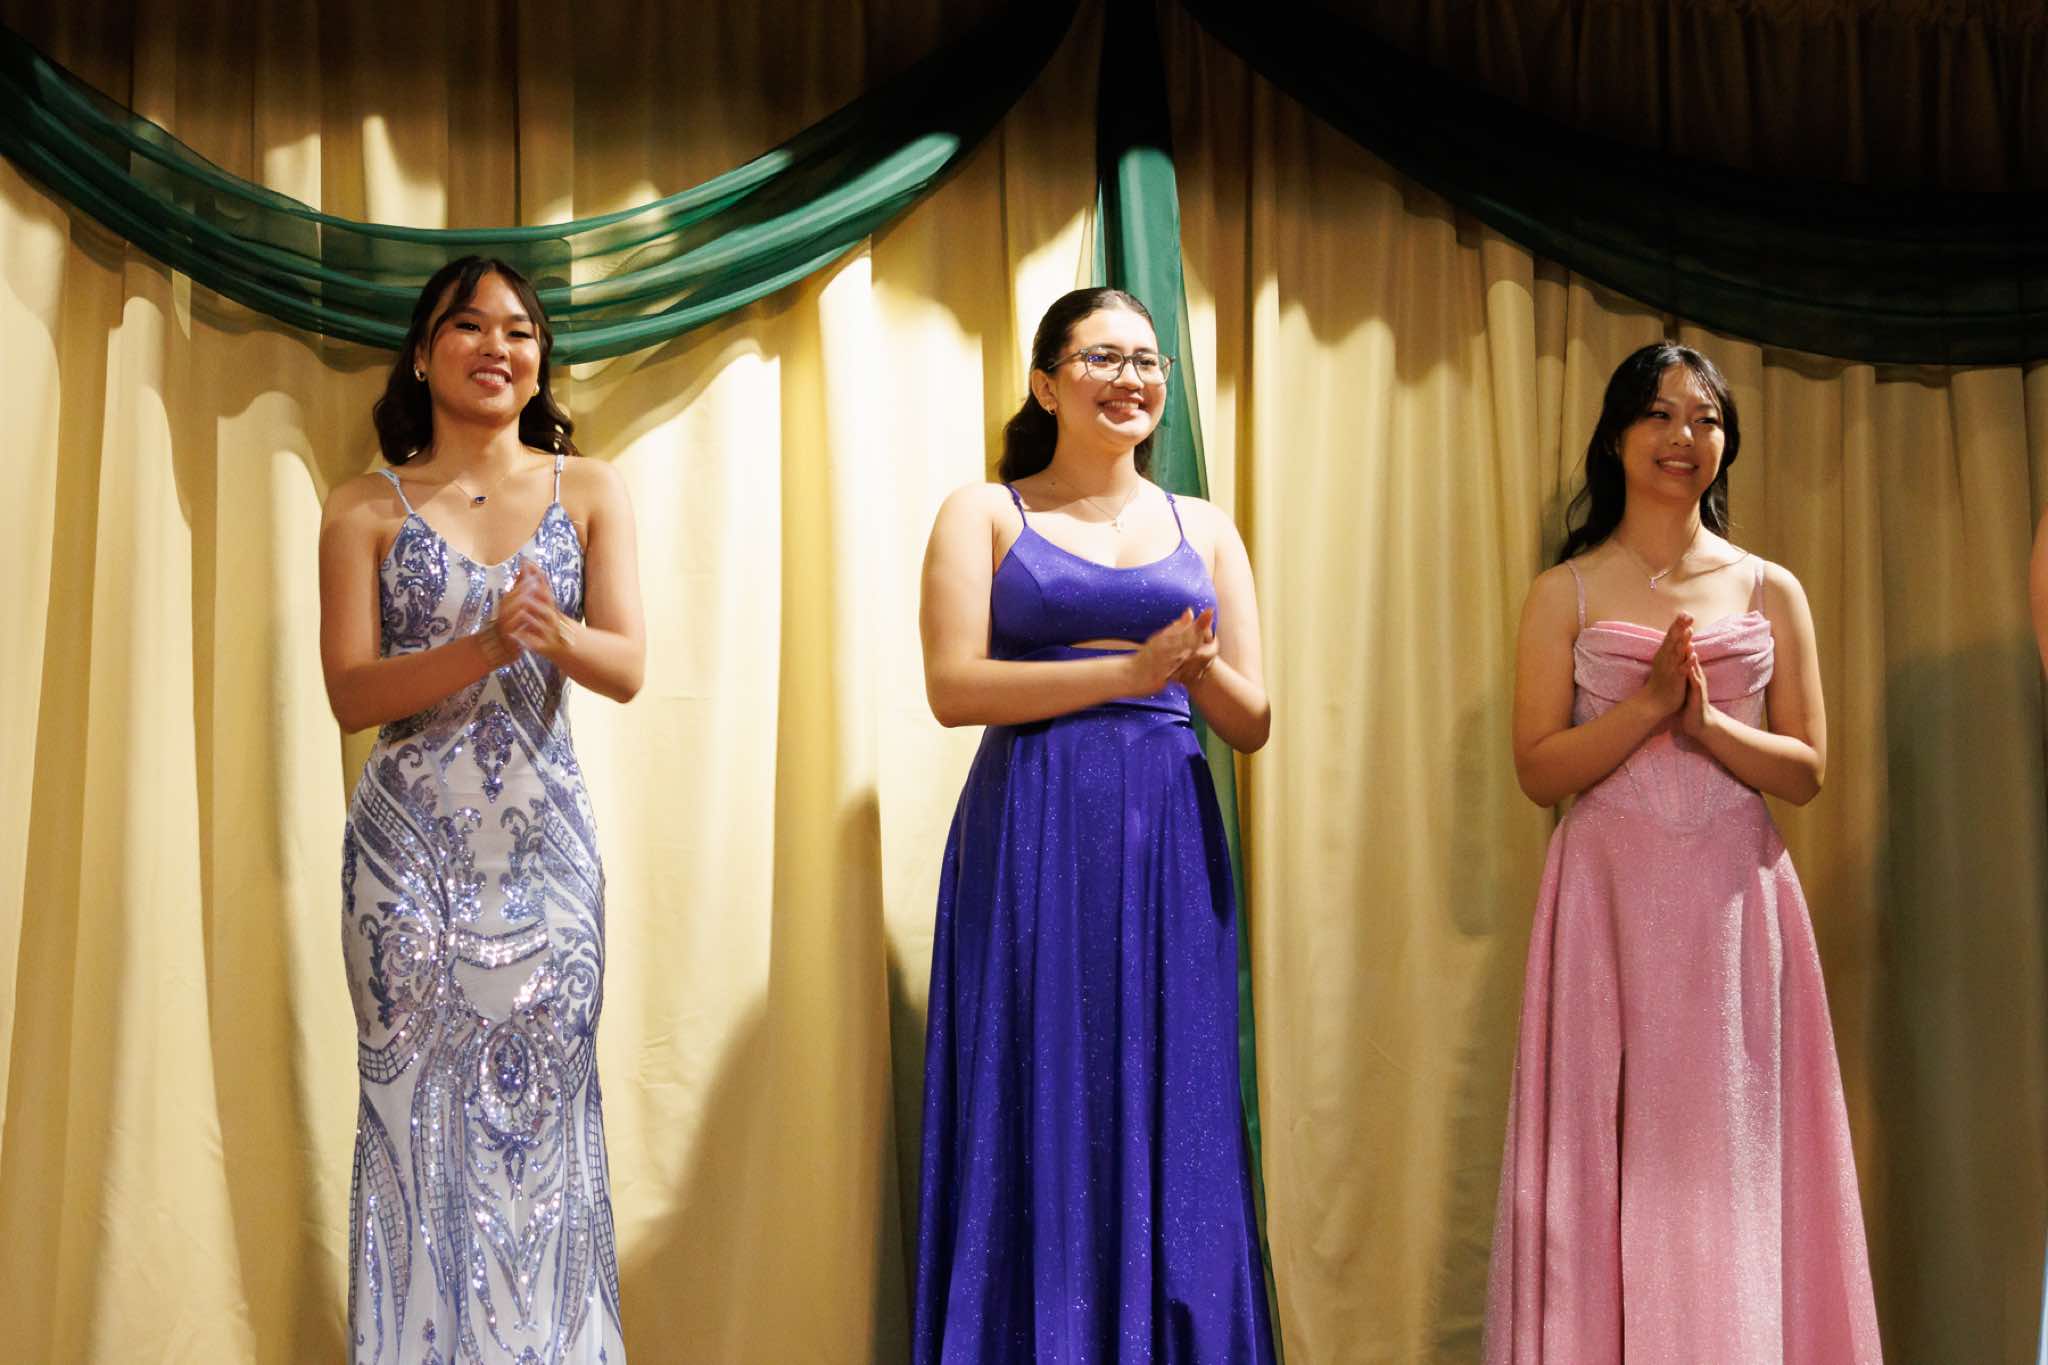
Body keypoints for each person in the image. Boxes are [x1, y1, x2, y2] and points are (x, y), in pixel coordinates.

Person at [1484, 341, 1881, 1362]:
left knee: (1729, 1155)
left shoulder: (1769, 587)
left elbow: (1805, 769)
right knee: (1613, 1152)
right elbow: (1538, 769)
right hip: (1605, 900)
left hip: (1734, 904)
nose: (1683, 437)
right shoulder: (1565, 590)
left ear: (1725, 445)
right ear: (1616, 437)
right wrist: (1650, 707)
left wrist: (1706, 725)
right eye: (1659, 415)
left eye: (1705, 419)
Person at [911, 286, 1277, 1363]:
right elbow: (953, 688)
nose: (1132, 380)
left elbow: (1253, 720)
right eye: (1104, 358)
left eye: (1148, 362)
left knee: (1172, 1091)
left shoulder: (1204, 526)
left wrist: (1189, 673)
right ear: (1046, 383)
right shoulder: (984, 512)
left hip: (1166, 838)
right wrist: (1126, 670)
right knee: (1039, 1084)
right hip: (1032, 830)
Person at [318, 256, 644, 1362]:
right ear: (422, 355)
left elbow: (628, 666)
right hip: (405, 864)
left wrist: (555, 636)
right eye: (468, 326)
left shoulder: (586, 489)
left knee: (549, 1127)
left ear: (540, 361)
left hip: (547, 859)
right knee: (411, 1123)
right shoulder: (363, 503)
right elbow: (351, 694)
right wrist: (486, 645)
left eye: (519, 330)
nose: (497, 347)